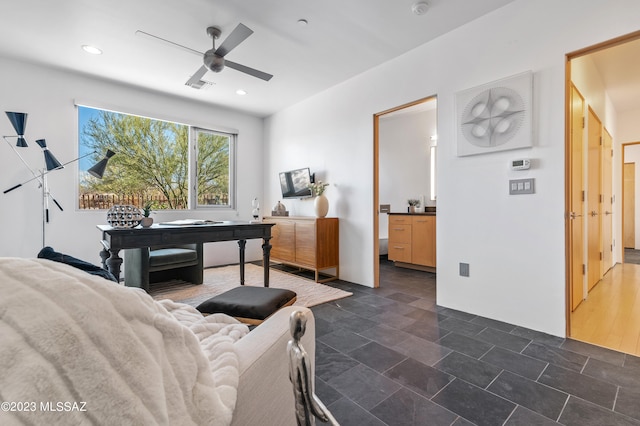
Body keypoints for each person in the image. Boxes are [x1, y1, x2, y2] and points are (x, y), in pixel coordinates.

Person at [287, 310, 339, 426]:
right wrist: (319, 413)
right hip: (305, 410)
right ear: (302, 329)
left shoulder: (289, 345)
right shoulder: (302, 356)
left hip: (297, 405)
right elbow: (307, 393)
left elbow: (290, 377)